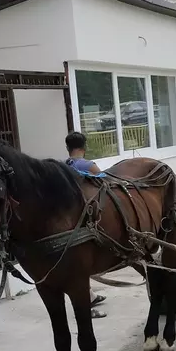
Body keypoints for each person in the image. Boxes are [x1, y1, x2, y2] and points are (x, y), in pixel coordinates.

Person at [64, 131, 107, 319]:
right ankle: (86, 305)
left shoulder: (63, 166)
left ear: (67, 148)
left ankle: (91, 295)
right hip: (87, 218)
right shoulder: (88, 166)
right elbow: (106, 183)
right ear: (84, 146)